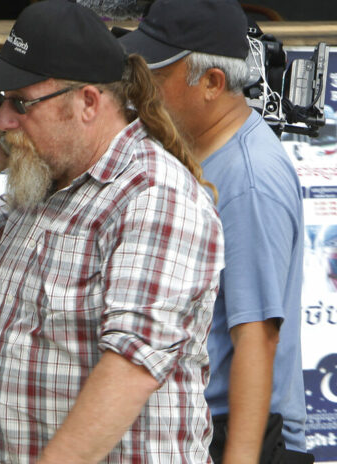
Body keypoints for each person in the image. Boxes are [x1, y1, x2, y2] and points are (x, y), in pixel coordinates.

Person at [0, 0, 224, 461]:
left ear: (88, 101)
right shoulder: (46, 177)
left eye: (20, 102)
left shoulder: (152, 195)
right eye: (0, 101)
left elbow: (131, 366)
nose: (4, 121)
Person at [119, 0, 310, 462]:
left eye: (156, 75)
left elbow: (257, 337)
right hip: (198, 428)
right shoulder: (187, 147)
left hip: (237, 435)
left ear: (212, 82)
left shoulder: (248, 180)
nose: (139, 88)